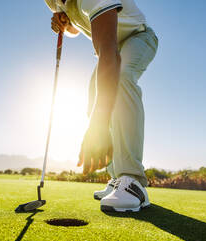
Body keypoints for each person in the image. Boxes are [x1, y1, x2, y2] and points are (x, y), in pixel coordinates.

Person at [44, 0, 158, 212]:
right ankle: (117, 179)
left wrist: (98, 125)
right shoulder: (53, 1)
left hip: (138, 37)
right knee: (95, 96)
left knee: (121, 78)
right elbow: (75, 28)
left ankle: (133, 182)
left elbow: (108, 52)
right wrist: (65, 24)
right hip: (113, 47)